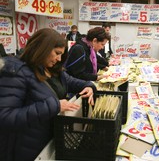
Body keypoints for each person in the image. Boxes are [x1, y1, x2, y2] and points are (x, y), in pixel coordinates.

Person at [0, 28, 96, 161]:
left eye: (61, 55)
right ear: (43, 48)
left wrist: (89, 86)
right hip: (27, 149)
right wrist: (54, 106)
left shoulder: (50, 68)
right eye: (57, 53)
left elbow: (71, 81)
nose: (59, 59)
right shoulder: (16, 72)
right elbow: (5, 117)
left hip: (49, 142)